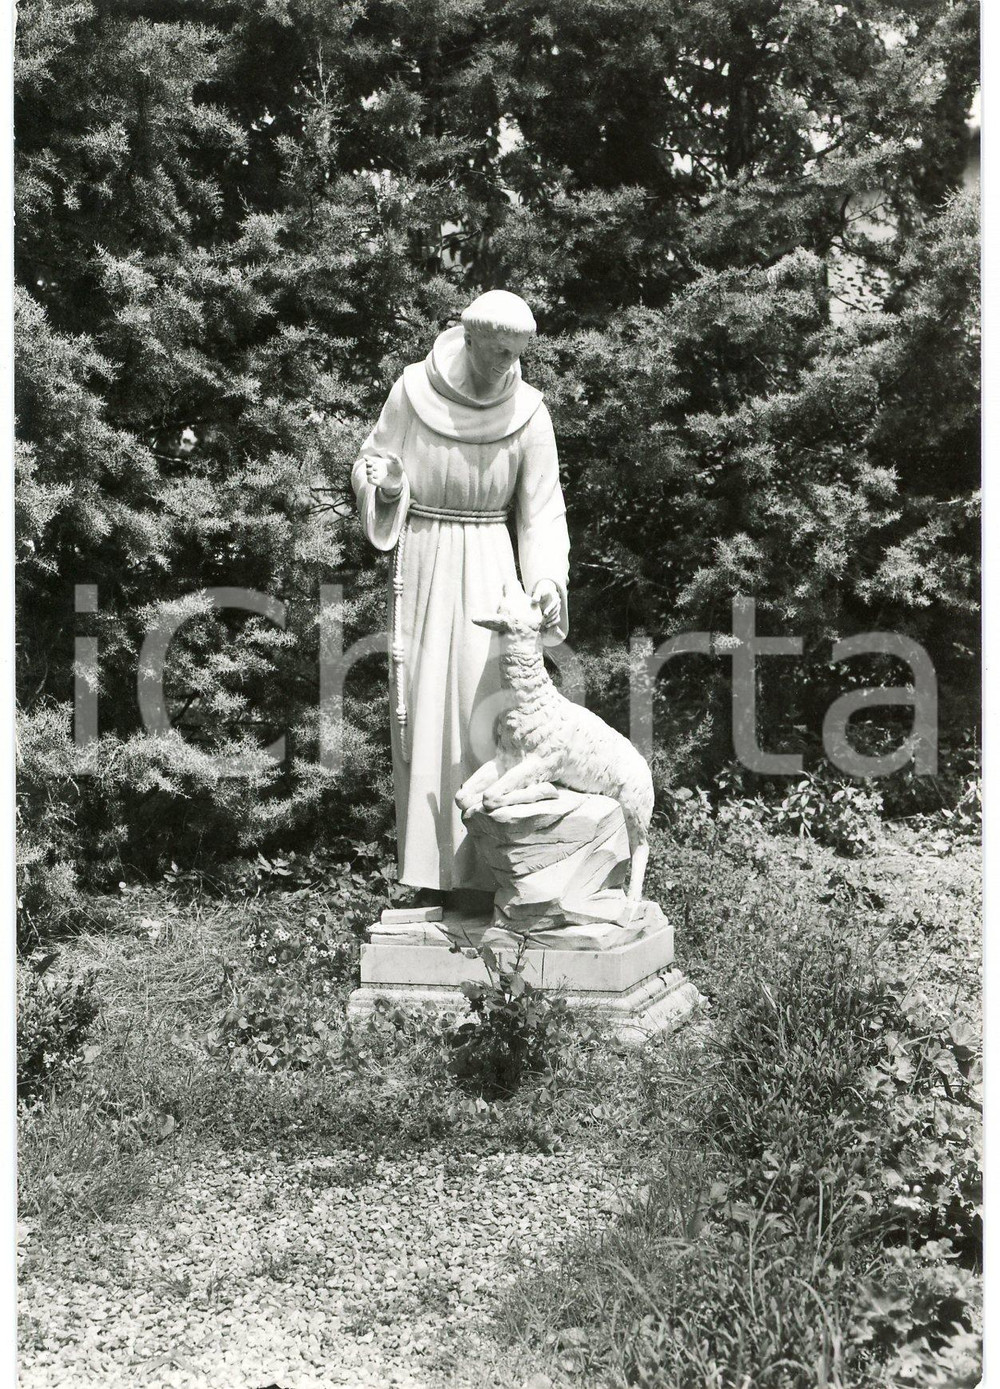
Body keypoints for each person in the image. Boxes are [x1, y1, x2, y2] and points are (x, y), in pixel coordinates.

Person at [352, 290, 570, 896]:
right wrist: (390, 484)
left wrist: (546, 578)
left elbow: (542, 509)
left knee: (493, 714)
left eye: (517, 353)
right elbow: (377, 459)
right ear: (469, 338)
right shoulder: (413, 391)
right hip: (424, 559)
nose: (507, 362)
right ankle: (433, 878)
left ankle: (497, 875)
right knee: (424, 711)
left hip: (493, 569)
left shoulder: (528, 412)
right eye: (498, 349)